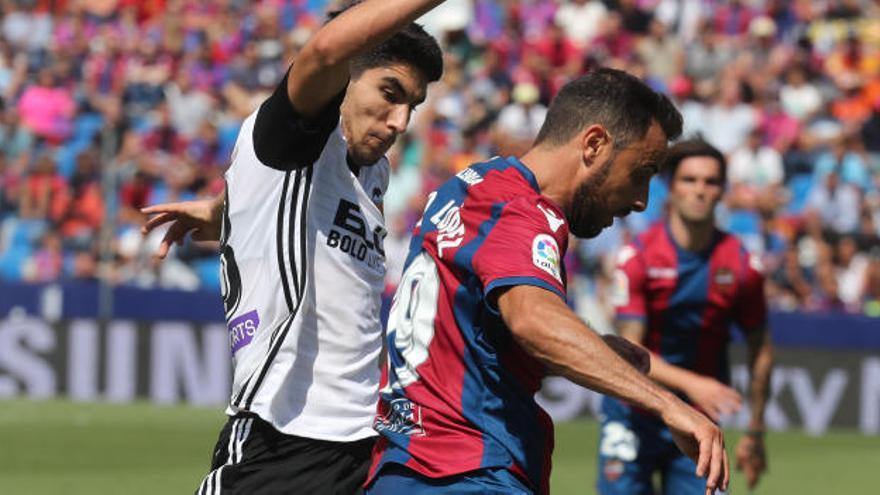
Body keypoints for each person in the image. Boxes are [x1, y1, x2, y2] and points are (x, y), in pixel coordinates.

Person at [365, 69, 729, 495]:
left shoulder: (472, 187)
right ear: (594, 145)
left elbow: (472, 335)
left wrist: (591, 352)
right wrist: (669, 406)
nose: (641, 199)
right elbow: (533, 319)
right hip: (468, 472)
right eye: (641, 172)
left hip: (407, 468)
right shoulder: (522, 211)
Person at [142, 1, 446, 493]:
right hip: (282, 440)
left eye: (413, 105)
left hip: (366, 446)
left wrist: (226, 211)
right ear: (347, 76)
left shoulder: (372, 172)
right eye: (390, 94)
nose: (400, 121)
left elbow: (298, 208)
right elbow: (325, 51)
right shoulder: (296, 133)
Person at [600, 139, 774, 494]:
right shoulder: (638, 257)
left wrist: (755, 431)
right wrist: (692, 383)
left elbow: (761, 348)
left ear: (722, 191)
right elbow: (628, 350)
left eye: (710, 182)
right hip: (634, 411)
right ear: (671, 188)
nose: (700, 191)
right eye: (689, 180)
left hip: (700, 421)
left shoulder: (743, 265)